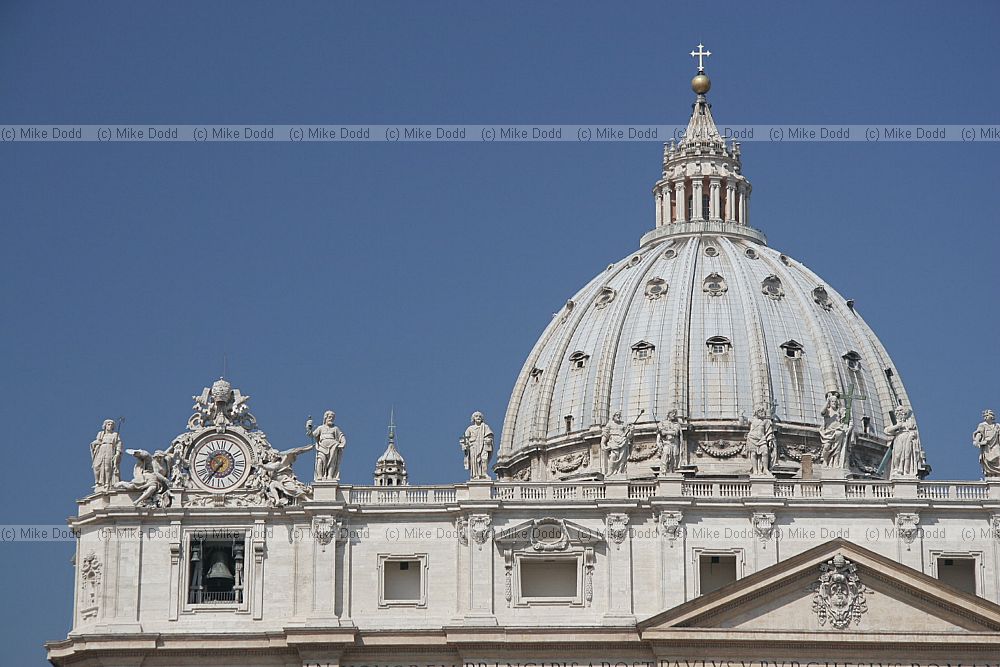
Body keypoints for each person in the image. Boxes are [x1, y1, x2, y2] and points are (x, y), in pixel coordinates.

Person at [307, 411, 347, 481]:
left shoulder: (335, 428)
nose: (331, 419)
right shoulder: (320, 428)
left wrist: (343, 443)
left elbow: (341, 436)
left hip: (333, 446)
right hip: (322, 447)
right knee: (320, 461)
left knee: (332, 462)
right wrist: (309, 427)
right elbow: (312, 435)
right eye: (330, 417)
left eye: (332, 418)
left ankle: (330, 476)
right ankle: (320, 476)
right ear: (325, 418)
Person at [886, 406, 923, 478]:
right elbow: (887, 431)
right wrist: (897, 426)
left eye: (900, 411)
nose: (899, 413)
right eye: (897, 411)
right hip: (899, 438)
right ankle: (896, 469)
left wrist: (912, 434)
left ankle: (906, 470)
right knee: (898, 455)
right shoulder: (896, 422)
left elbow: (915, 432)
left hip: (908, 439)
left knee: (907, 455)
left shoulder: (909, 422)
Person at [819, 391, 850, 468]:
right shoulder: (828, 411)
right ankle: (825, 460)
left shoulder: (839, 411)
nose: (834, 403)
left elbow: (845, 421)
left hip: (838, 433)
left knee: (837, 449)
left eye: (835, 402)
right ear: (830, 402)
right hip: (828, 433)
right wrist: (827, 402)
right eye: (832, 401)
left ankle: (835, 462)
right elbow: (822, 412)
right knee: (826, 447)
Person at [90, 419, 122, 492]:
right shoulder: (101, 433)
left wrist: (117, 453)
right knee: (96, 466)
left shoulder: (115, 434)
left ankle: (107, 483)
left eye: (111, 425)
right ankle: (97, 482)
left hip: (110, 448)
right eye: (108, 424)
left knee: (107, 466)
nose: (110, 426)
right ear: (105, 425)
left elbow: (119, 444)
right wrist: (94, 443)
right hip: (101, 449)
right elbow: (96, 441)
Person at [461, 412, 494, 480]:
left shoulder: (485, 427)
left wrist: (488, 439)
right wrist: (466, 445)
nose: (478, 417)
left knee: (484, 459)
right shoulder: (470, 428)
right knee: (475, 461)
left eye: (480, 416)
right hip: (473, 446)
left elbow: (489, 436)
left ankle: (484, 473)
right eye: (476, 416)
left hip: (483, 445)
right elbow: (464, 439)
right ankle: (476, 475)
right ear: (473, 418)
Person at [601, 411, 633, 477]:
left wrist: (631, 431)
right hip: (613, 442)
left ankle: (620, 471)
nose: (618, 416)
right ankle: (611, 471)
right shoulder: (610, 424)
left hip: (623, 441)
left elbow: (628, 436)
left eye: (619, 415)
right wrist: (603, 442)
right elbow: (605, 434)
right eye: (617, 415)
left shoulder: (623, 424)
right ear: (613, 416)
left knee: (623, 458)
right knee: (613, 456)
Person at [747, 406, 776, 475]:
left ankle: (765, 469)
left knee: (765, 452)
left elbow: (768, 431)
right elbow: (742, 423)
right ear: (756, 412)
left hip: (762, 439)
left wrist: (770, 440)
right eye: (760, 411)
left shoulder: (766, 421)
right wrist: (741, 415)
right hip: (752, 438)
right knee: (753, 454)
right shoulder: (751, 420)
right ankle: (755, 470)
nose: (762, 413)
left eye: (763, 411)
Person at [972, 409, 1000, 479]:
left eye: (987, 415)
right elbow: (979, 433)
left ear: (991, 416)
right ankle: (991, 474)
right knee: (988, 459)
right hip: (987, 446)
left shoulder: (997, 425)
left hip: (995, 444)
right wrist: (977, 441)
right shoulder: (982, 425)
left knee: (998, 456)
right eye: (984, 416)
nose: (985, 417)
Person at [657, 410, 684, 475]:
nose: (674, 415)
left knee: (674, 457)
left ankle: (673, 471)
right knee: (665, 454)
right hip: (666, 443)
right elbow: (661, 432)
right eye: (672, 414)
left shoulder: (677, 424)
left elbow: (675, 432)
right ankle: (664, 470)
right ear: (668, 414)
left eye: (675, 414)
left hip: (674, 443)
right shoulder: (662, 423)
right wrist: (665, 432)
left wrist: (665, 432)